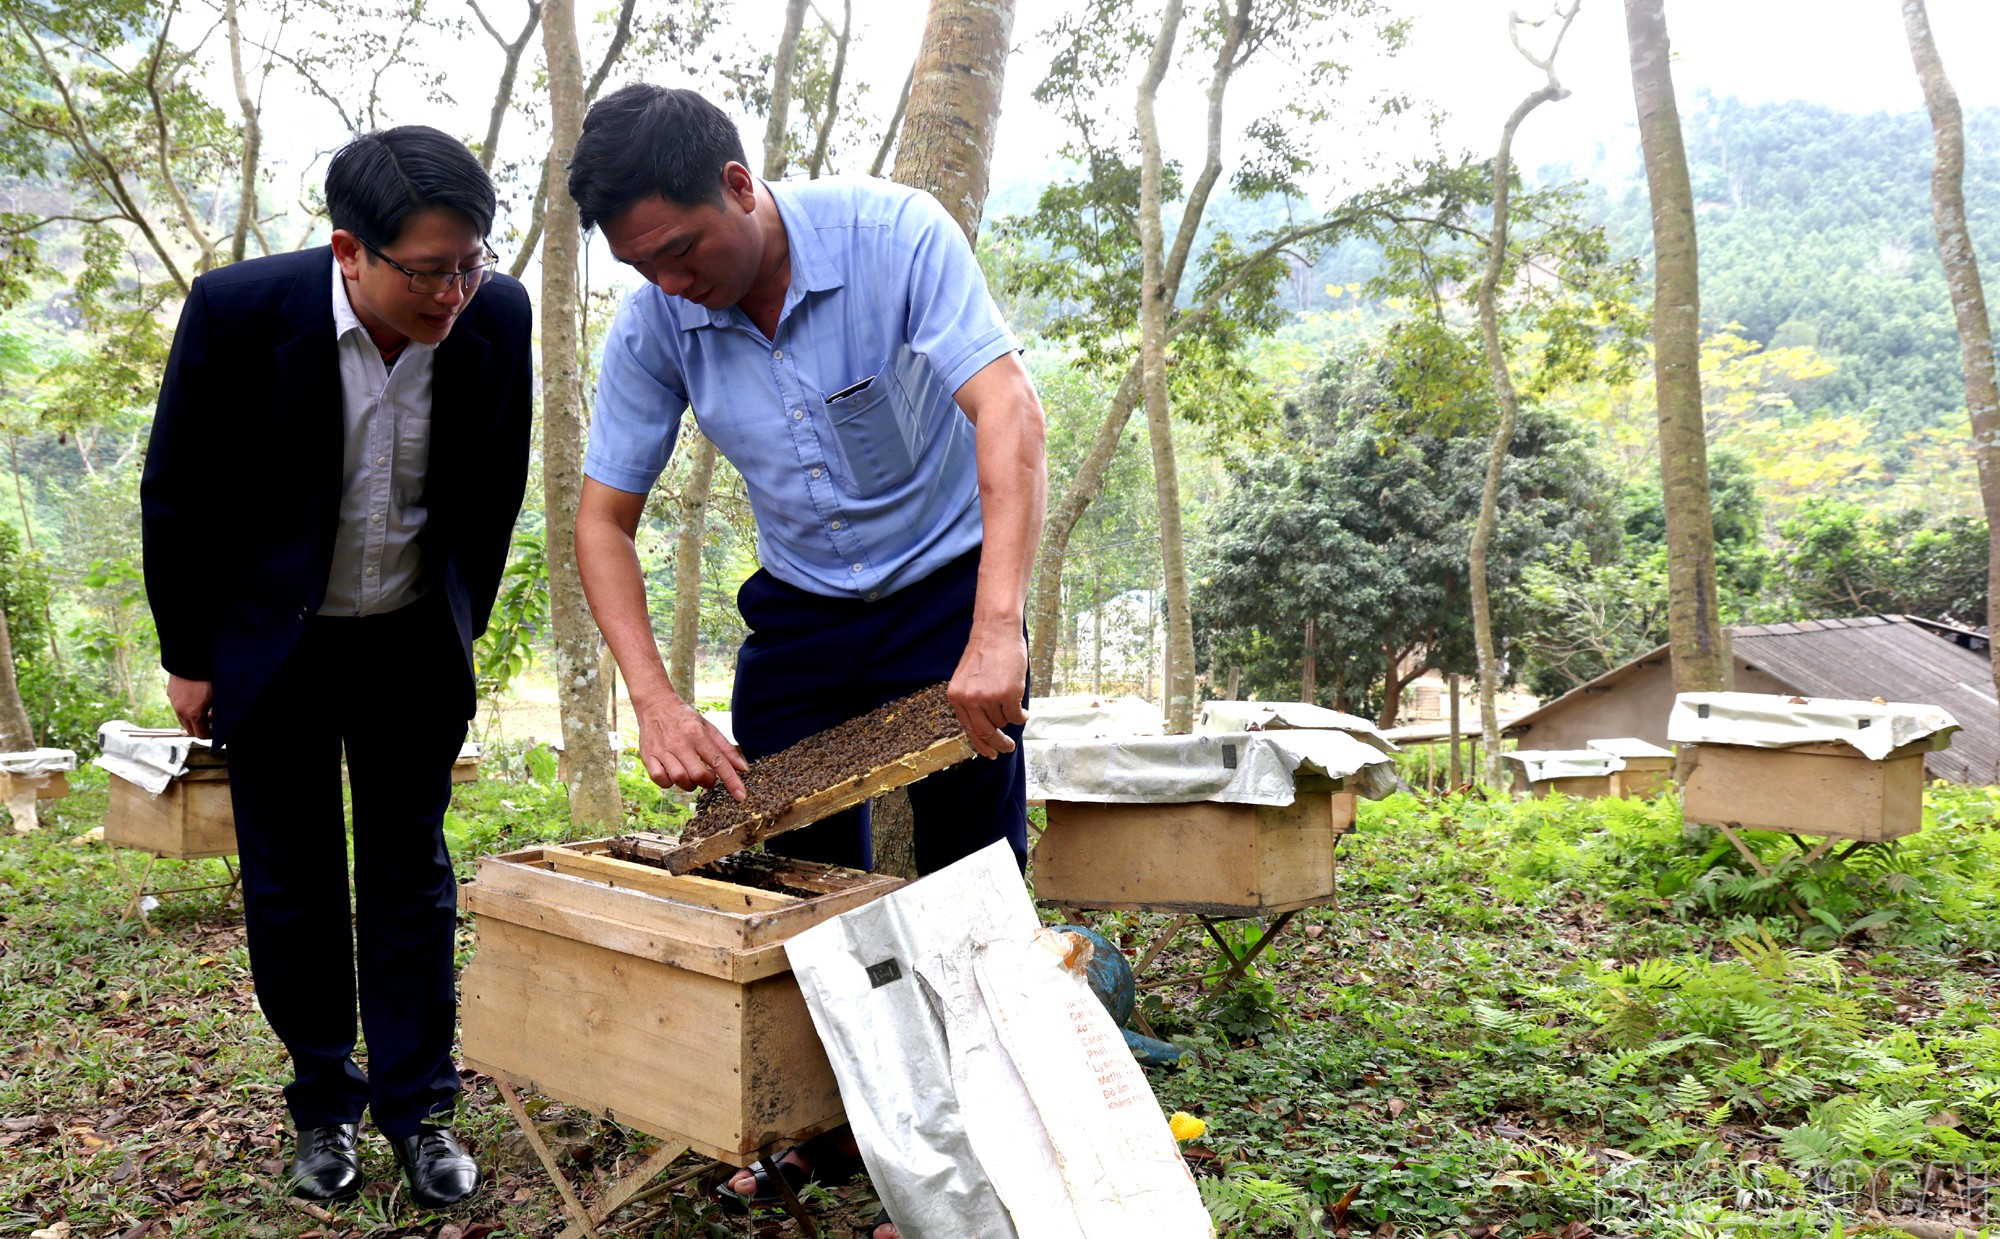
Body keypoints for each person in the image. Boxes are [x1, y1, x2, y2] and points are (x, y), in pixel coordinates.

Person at [565, 86, 1047, 1238]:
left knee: (974, 863)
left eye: (681, 251)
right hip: (804, 609)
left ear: (738, 184)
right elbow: (599, 521)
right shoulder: (656, 322)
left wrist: (997, 628)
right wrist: (653, 698)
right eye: (645, 268)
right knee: (786, 874)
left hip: (947, 588)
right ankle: (828, 1123)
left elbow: (1006, 408)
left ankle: (996, 1113)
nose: (672, 284)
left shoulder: (893, 233)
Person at [141, 125, 532, 1209]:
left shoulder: (496, 318)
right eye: (426, 271)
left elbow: (493, 491)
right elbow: (178, 490)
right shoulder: (239, 311)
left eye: (469, 264)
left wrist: (462, 626)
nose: (451, 293)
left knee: (410, 876)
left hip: (410, 637)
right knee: (294, 877)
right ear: (347, 249)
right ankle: (323, 1101)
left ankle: (420, 1107)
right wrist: (189, 653)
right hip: (278, 646)